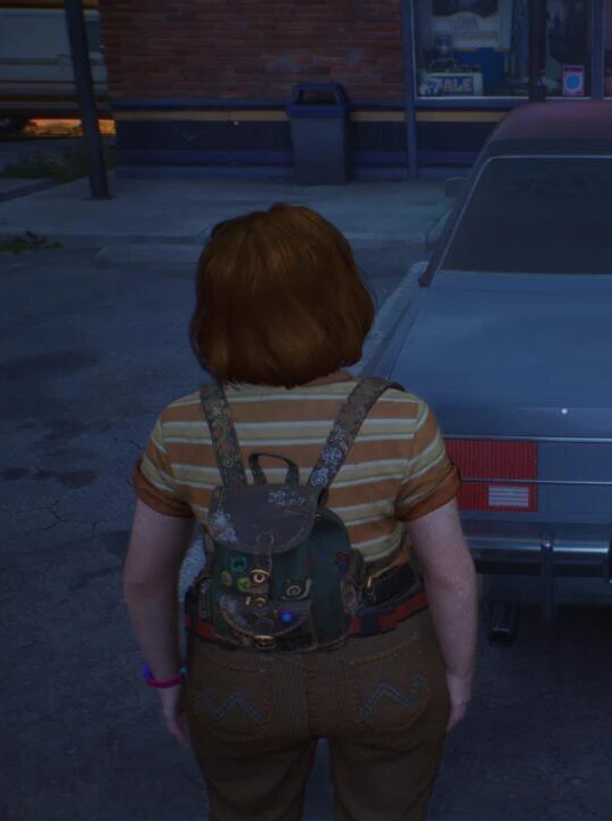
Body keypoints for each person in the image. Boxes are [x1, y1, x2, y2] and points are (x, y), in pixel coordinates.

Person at [121, 203, 479, 821]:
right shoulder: (402, 419)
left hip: (235, 674)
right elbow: (450, 575)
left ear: (215, 315)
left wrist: (168, 679)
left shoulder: (181, 425)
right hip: (384, 665)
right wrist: (458, 676)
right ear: (342, 299)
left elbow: (145, 578)